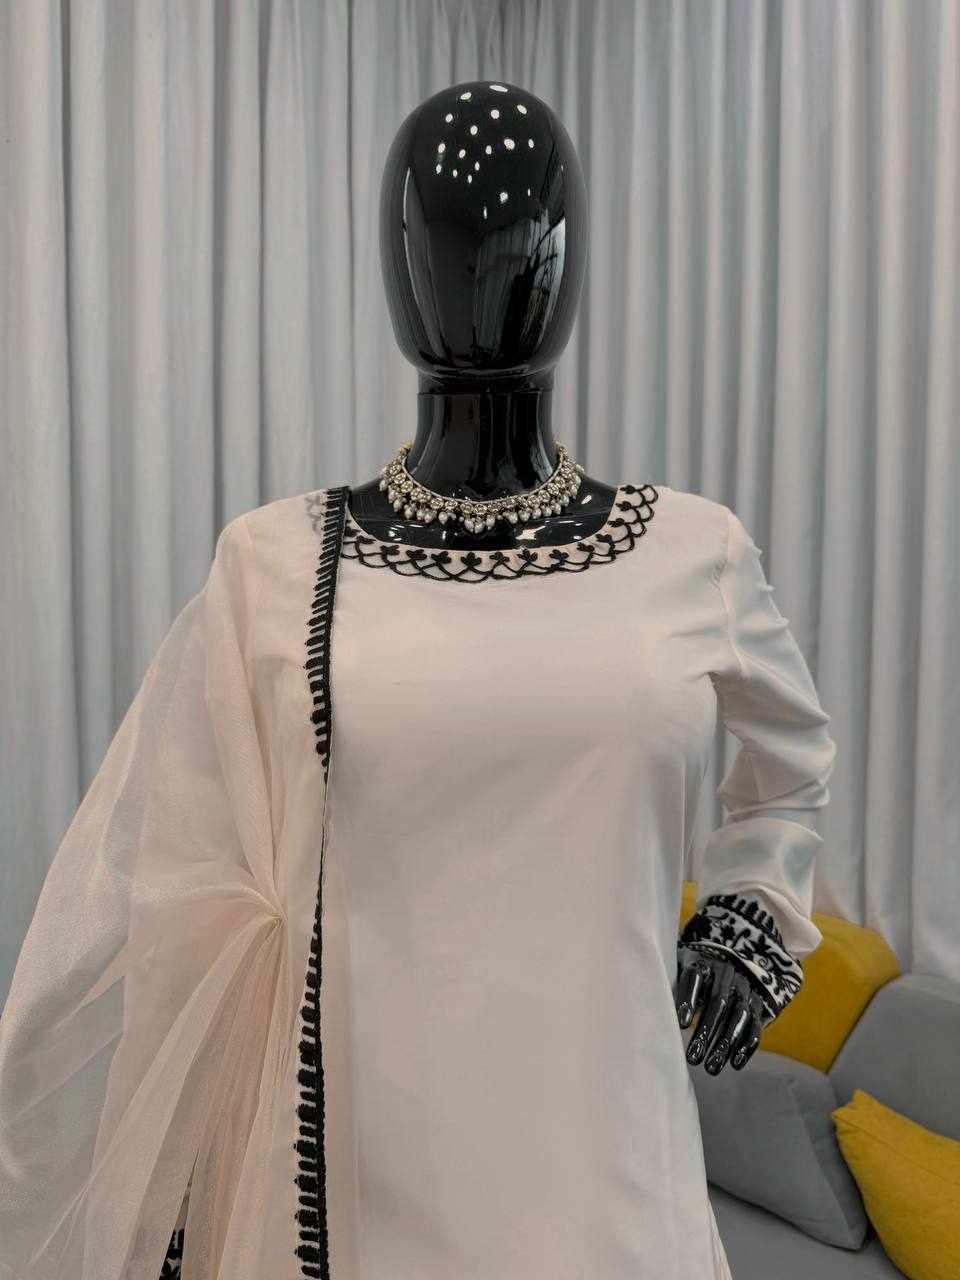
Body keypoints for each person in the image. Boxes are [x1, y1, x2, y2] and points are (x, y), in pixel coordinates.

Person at [0, 81, 835, 1280]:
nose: (483, 271)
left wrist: (752, 911)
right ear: (395, 270)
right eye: (441, 238)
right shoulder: (275, 560)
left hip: (611, 1160)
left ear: (569, 264)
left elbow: (790, 770)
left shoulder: (692, 552)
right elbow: (182, 874)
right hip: (358, 1172)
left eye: (523, 234)